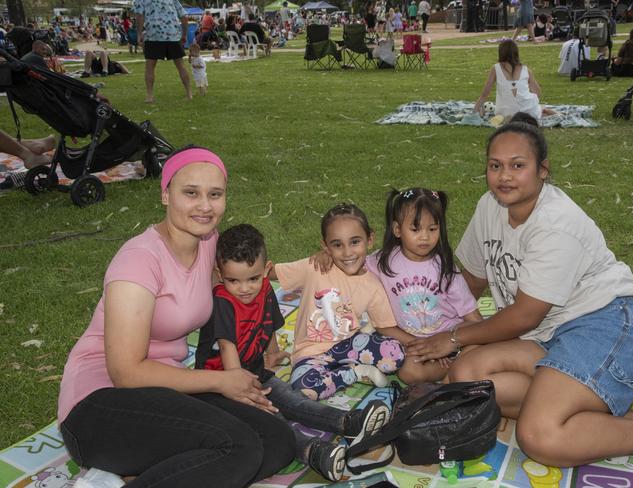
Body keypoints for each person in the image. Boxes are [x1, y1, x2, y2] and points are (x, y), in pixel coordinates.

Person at [408, 118, 633, 467]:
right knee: (464, 377)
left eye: (517, 165)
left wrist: (455, 337)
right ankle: (579, 404)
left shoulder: (556, 223)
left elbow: (524, 315)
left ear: (543, 170)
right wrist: (430, 327)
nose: (504, 176)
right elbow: (470, 283)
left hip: (609, 321)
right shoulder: (489, 207)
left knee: (540, 438)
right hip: (548, 335)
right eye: (495, 166)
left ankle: (580, 414)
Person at [57, 146, 295, 488]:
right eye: (190, 193)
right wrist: (220, 380)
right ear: (165, 194)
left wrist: (321, 262)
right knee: (239, 447)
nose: (204, 205)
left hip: (166, 388)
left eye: (215, 194)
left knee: (276, 440)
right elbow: (125, 372)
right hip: (99, 406)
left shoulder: (209, 244)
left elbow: (251, 271)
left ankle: (148, 473)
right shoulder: (138, 260)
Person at [195, 224, 391, 482]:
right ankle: (314, 452)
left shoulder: (264, 289)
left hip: (254, 373)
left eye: (252, 278)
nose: (244, 288)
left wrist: (273, 352)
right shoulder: (223, 301)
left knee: (293, 401)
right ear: (220, 275)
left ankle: (350, 422)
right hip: (221, 387)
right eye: (233, 280)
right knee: (270, 419)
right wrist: (245, 394)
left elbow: (267, 322)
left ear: (266, 270)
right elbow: (228, 351)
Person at [270, 203, 406, 401]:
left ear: (370, 239)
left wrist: (421, 343)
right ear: (325, 246)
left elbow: (387, 327)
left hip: (348, 346)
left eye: (354, 242)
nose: (347, 252)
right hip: (310, 354)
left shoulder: (373, 285)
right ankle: (356, 373)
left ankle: (348, 363)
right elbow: (270, 273)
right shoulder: (314, 267)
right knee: (303, 390)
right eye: (337, 245)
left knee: (395, 354)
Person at [363, 188, 483, 384]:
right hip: (411, 344)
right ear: (397, 229)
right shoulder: (383, 261)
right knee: (408, 371)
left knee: (479, 345)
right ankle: (456, 375)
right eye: (415, 229)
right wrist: (326, 256)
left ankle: (458, 371)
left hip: (452, 343)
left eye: (432, 229)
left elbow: (475, 319)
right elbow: (351, 262)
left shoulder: (445, 268)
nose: (425, 237)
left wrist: (449, 345)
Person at [133, 0, 193, 103]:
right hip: (173, 34)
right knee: (180, 66)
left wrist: (139, 34)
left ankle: (150, 96)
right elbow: (184, 16)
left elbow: (139, 16)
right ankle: (189, 93)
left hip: (153, 35)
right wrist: (184, 35)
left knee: (150, 66)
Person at [474, 40, 544, 121]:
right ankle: (542, 110)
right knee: (534, 102)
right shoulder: (526, 69)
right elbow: (537, 92)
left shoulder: (495, 68)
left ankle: (540, 110)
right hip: (528, 112)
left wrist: (475, 110)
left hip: (504, 113)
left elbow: (485, 94)